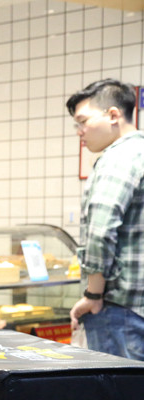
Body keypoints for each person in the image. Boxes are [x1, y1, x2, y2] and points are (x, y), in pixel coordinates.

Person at [66, 79, 144, 361]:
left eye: (83, 121)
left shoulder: (118, 158)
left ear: (113, 115)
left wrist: (93, 296)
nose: (80, 132)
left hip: (120, 309)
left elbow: (100, 231)